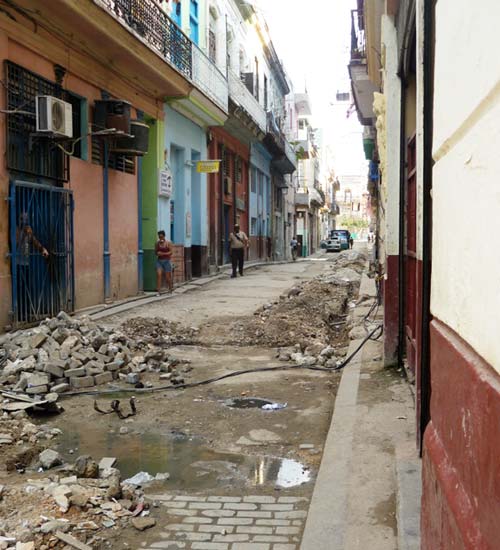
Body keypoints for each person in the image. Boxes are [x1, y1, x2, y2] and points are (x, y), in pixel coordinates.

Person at [155, 230, 173, 294]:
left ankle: (170, 288)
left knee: (167, 277)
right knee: (159, 275)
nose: (161, 238)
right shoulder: (157, 243)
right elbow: (155, 252)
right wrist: (158, 253)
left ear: (164, 236)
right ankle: (158, 291)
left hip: (167, 261)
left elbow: (171, 252)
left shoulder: (168, 243)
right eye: (159, 237)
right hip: (159, 261)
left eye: (162, 237)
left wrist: (163, 253)